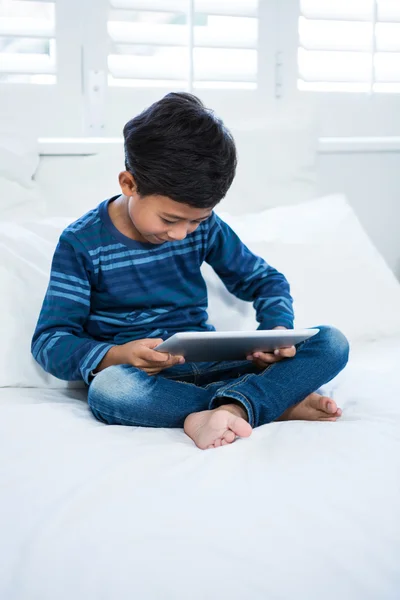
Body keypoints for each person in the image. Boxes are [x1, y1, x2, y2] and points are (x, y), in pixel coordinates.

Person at [31, 92, 349, 450]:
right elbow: (51, 341)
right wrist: (116, 355)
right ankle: (265, 403)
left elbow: (266, 281)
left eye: (196, 221)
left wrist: (275, 332)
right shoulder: (82, 243)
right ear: (129, 184)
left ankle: (233, 407)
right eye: (169, 219)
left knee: (331, 341)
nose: (181, 233)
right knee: (109, 391)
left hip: (219, 364)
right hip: (147, 379)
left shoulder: (208, 228)